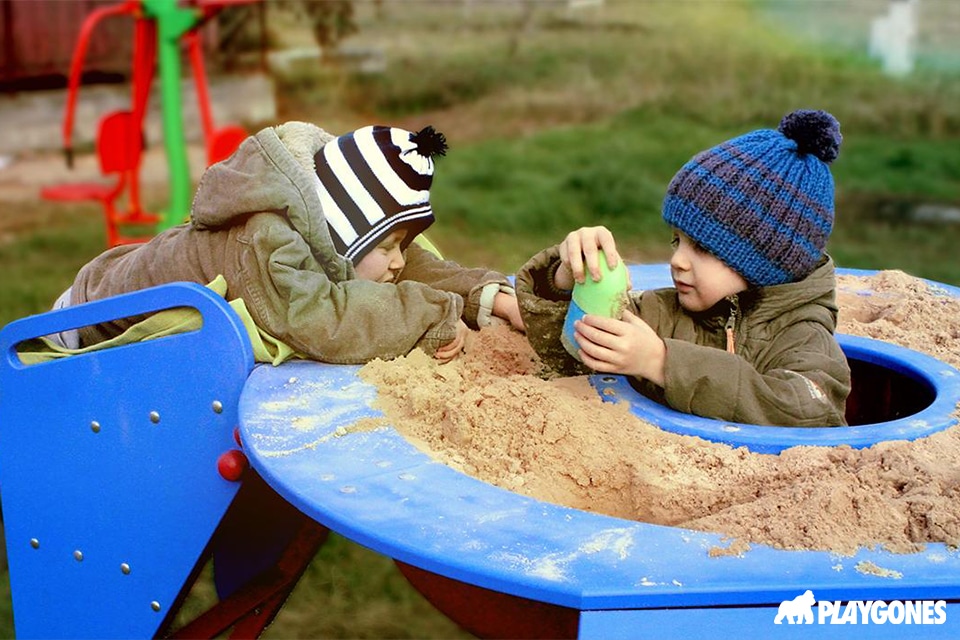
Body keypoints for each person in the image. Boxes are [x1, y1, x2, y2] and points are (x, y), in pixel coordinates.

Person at [56, 122, 523, 363]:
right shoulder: (269, 242)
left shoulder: (321, 227)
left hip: (111, 291)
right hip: (88, 322)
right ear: (344, 234)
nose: (398, 261)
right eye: (388, 246)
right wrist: (432, 315)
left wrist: (487, 297)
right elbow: (318, 319)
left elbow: (412, 263)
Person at [516, 109, 851, 427]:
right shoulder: (665, 312)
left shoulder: (804, 335)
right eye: (677, 241)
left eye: (702, 248)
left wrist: (662, 363)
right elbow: (568, 349)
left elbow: (807, 411)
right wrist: (567, 276)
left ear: (766, 260)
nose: (677, 260)